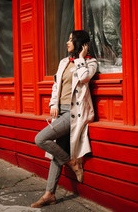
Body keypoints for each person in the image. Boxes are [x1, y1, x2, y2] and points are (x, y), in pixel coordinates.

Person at [31, 30, 97, 208]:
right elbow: (56, 85)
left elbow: (84, 78)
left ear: (80, 44)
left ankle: (70, 160)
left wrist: (81, 58)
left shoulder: (90, 63)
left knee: (40, 138)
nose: (67, 42)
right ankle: (49, 194)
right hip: (60, 112)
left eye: (70, 39)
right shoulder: (63, 62)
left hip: (75, 114)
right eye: (67, 39)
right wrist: (54, 105)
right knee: (56, 152)